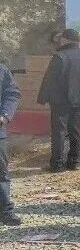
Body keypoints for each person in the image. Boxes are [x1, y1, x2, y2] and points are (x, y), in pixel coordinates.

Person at [37, 29, 80, 172]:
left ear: (65, 39)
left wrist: (43, 98)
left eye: (61, 38)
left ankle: (57, 164)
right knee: (76, 131)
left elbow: (49, 79)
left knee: (59, 132)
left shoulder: (59, 57)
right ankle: (74, 162)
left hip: (60, 101)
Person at [0, 60, 22, 225]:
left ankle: (5, 212)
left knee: (1, 172)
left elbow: (12, 93)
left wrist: (5, 115)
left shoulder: (2, 70)